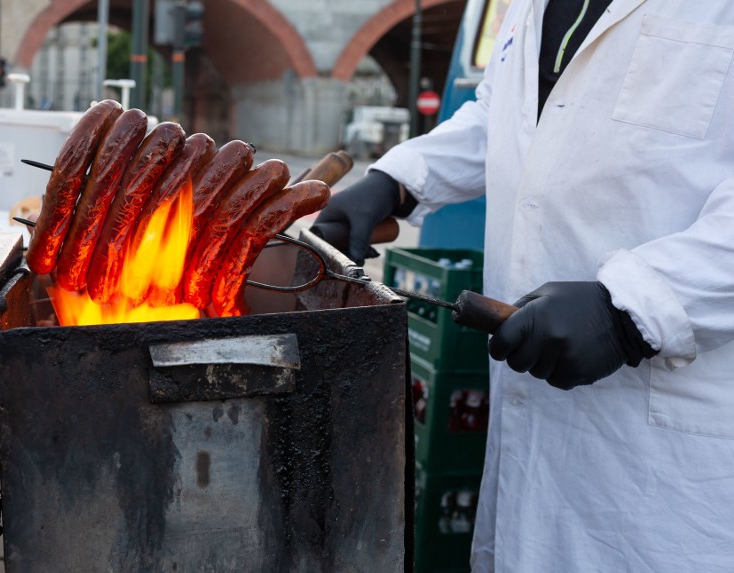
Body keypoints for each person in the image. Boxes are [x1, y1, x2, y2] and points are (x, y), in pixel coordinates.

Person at [313, 1, 734, 571]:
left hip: (672, 468)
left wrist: (633, 309)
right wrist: (400, 179)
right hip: (528, 434)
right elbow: (507, 114)